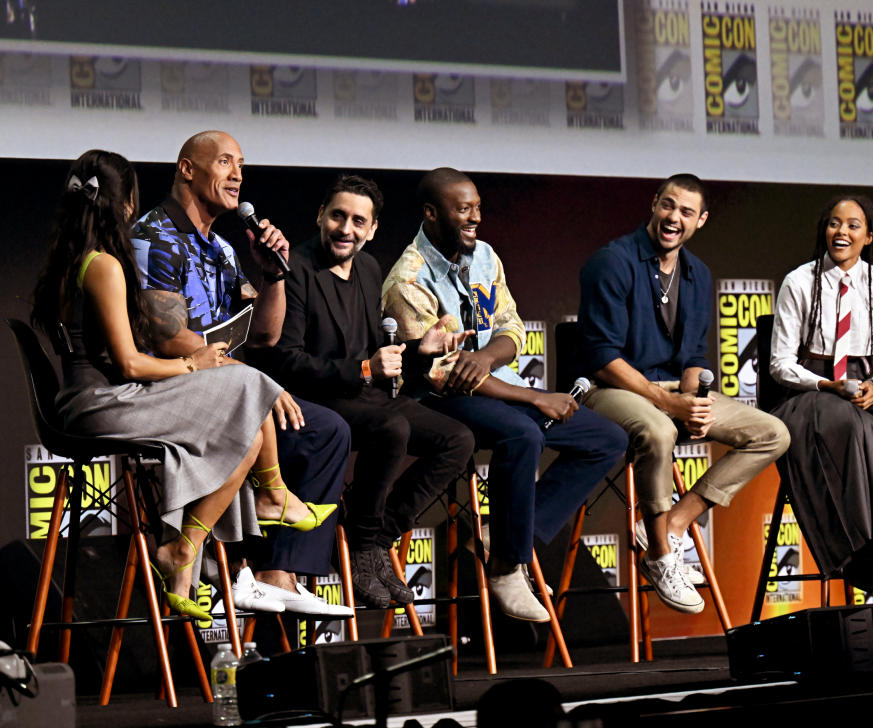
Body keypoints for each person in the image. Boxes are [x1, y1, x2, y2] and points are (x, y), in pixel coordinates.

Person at [30, 150, 327, 622]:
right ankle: (271, 497)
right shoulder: (103, 265)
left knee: (245, 425)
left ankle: (183, 556)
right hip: (100, 404)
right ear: (124, 203)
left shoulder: (70, 260)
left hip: (89, 401)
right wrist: (193, 363)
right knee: (244, 380)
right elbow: (128, 365)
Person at [382, 167, 628, 622]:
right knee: (522, 434)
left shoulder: (485, 256)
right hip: (437, 403)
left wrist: (488, 357)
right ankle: (506, 567)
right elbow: (442, 374)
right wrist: (534, 398)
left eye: (477, 206)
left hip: (496, 387)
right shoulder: (408, 280)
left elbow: (512, 327)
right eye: (462, 209)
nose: (475, 217)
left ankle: (506, 534)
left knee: (606, 439)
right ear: (432, 214)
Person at [131, 130, 352, 618]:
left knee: (326, 430)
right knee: (264, 407)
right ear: (188, 169)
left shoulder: (224, 250)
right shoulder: (153, 237)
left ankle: (276, 574)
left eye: (242, 166)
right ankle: (262, 523)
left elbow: (265, 336)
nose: (237, 175)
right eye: (225, 162)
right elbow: (168, 338)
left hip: (224, 387)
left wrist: (274, 274)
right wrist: (251, 382)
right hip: (166, 389)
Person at [251, 174, 475, 609]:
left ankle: (371, 537)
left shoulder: (370, 269)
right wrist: (364, 369)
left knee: (458, 439)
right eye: (338, 216)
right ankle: (364, 543)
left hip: (365, 394)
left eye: (358, 221)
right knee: (390, 427)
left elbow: (378, 354)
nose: (345, 229)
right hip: (315, 401)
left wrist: (418, 350)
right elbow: (284, 360)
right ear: (321, 216)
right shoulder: (294, 269)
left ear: (372, 230)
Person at [577, 173, 790, 614]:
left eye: (686, 212)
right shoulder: (612, 262)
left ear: (701, 220)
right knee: (657, 432)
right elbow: (602, 358)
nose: (674, 218)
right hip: (609, 388)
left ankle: (673, 523)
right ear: (654, 204)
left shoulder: (697, 273)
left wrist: (693, 398)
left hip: (668, 389)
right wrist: (670, 404)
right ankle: (659, 556)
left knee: (773, 433)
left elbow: (694, 354)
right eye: (668, 206)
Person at [769, 195, 873, 597]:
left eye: (853, 225)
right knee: (851, 429)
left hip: (868, 382)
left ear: (869, 236)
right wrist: (827, 385)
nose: (841, 232)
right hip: (813, 387)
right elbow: (780, 363)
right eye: (834, 223)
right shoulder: (800, 281)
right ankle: (858, 555)